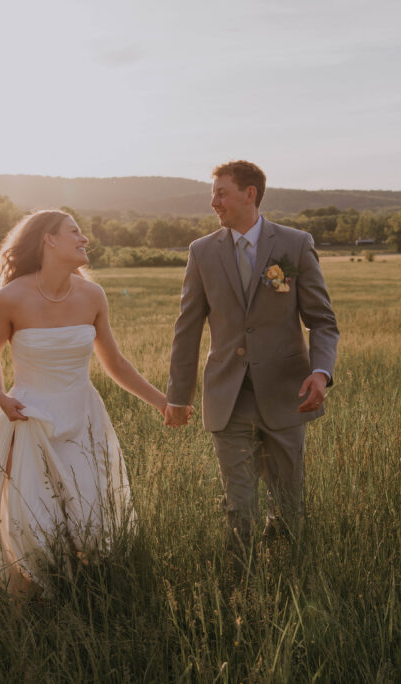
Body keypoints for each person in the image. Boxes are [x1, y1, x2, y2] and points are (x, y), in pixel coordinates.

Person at [0, 209, 170, 597]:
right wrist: (1, 396)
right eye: (75, 232)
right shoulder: (10, 298)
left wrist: (163, 402)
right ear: (49, 239)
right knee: (36, 520)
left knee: (91, 516)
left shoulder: (92, 295)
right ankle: (29, 611)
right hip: (31, 419)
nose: (85, 239)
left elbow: (114, 363)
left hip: (83, 418)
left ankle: (88, 598)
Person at [164, 160, 339, 570]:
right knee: (238, 507)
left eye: (221, 193)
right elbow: (186, 330)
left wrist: (321, 371)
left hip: (286, 395)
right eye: (213, 194)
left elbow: (322, 321)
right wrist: (178, 396)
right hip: (229, 397)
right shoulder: (202, 252)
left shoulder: (293, 245)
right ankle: (239, 588)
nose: (213, 202)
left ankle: (289, 579)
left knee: (289, 506)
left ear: (250, 194)